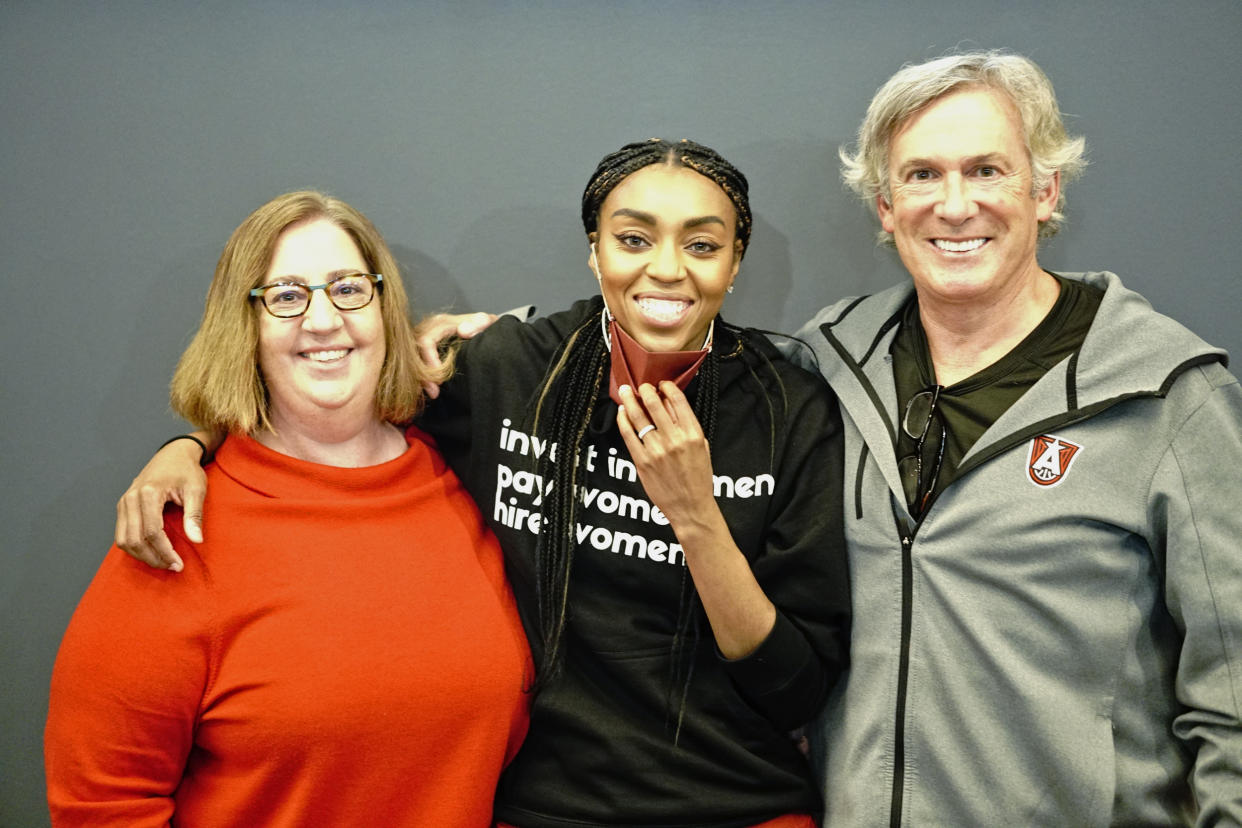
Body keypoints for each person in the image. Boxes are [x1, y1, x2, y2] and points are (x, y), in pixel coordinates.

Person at [108, 141, 851, 827]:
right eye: (632, 239)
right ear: (594, 252)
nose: (666, 268)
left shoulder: (790, 408)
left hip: (740, 805)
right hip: (546, 808)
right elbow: (328, 382)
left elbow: (795, 688)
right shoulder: (509, 368)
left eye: (702, 245)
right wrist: (192, 442)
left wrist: (697, 517)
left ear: (735, 261)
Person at [794, 51, 1242, 825]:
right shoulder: (823, 364)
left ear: (1045, 190)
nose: (956, 205)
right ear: (885, 206)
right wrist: (516, 341)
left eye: (987, 171)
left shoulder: (1170, 394)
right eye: (922, 175)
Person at [45, 191, 532, 827]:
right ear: (242, 324)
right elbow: (101, 806)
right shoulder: (177, 533)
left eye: (348, 288)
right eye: (286, 296)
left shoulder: (466, 477)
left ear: (383, 306)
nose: (324, 319)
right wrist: (190, 444)